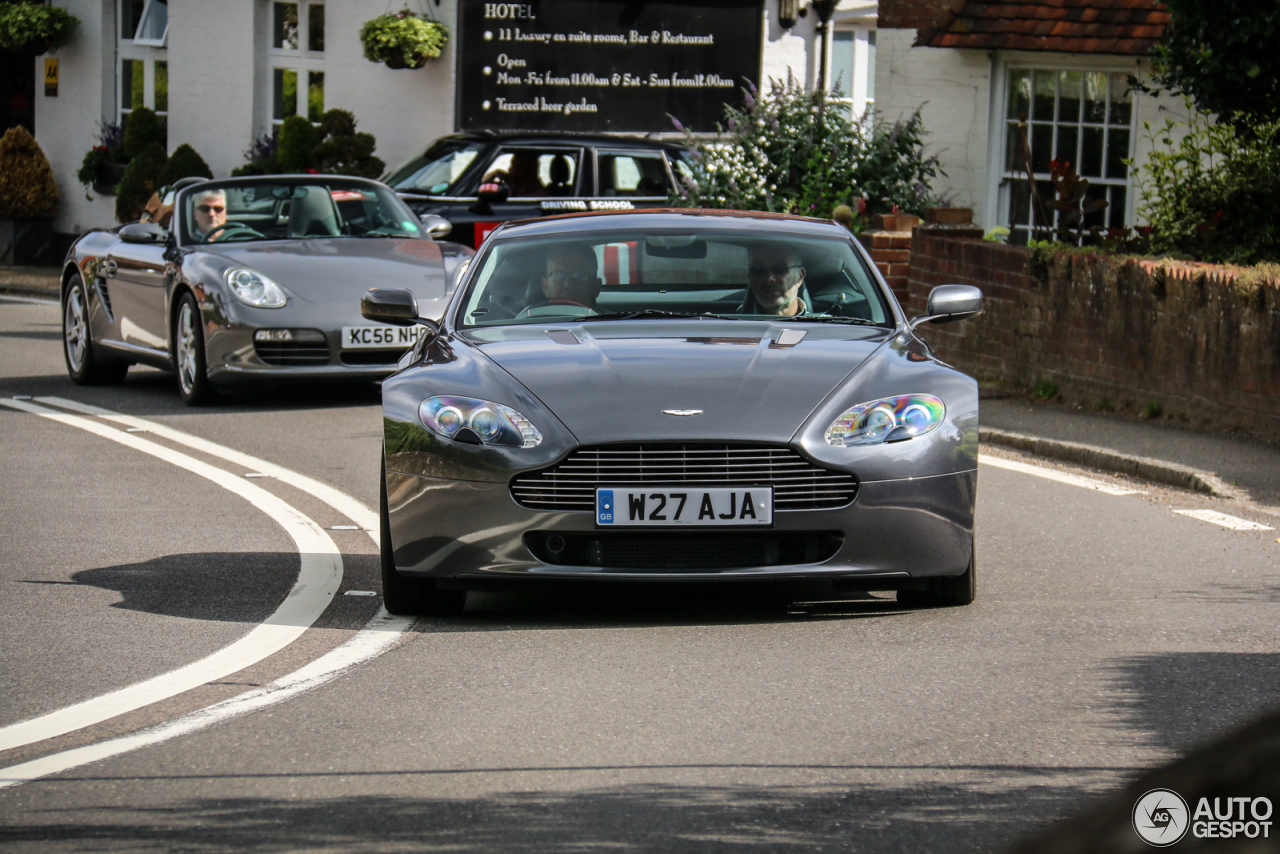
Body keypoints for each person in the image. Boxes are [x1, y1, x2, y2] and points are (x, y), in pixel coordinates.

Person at [515, 244, 602, 317]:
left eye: (579, 276)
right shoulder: (520, 326)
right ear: (545, 286)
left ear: (596, 288)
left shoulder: (610, 325)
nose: (568, 285)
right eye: (559, 275)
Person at [739, 245, 811, 316]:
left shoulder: (820, 324)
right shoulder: (732, 324)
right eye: (758, 270)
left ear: (800, 276)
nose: (769, 279)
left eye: (779, 270)